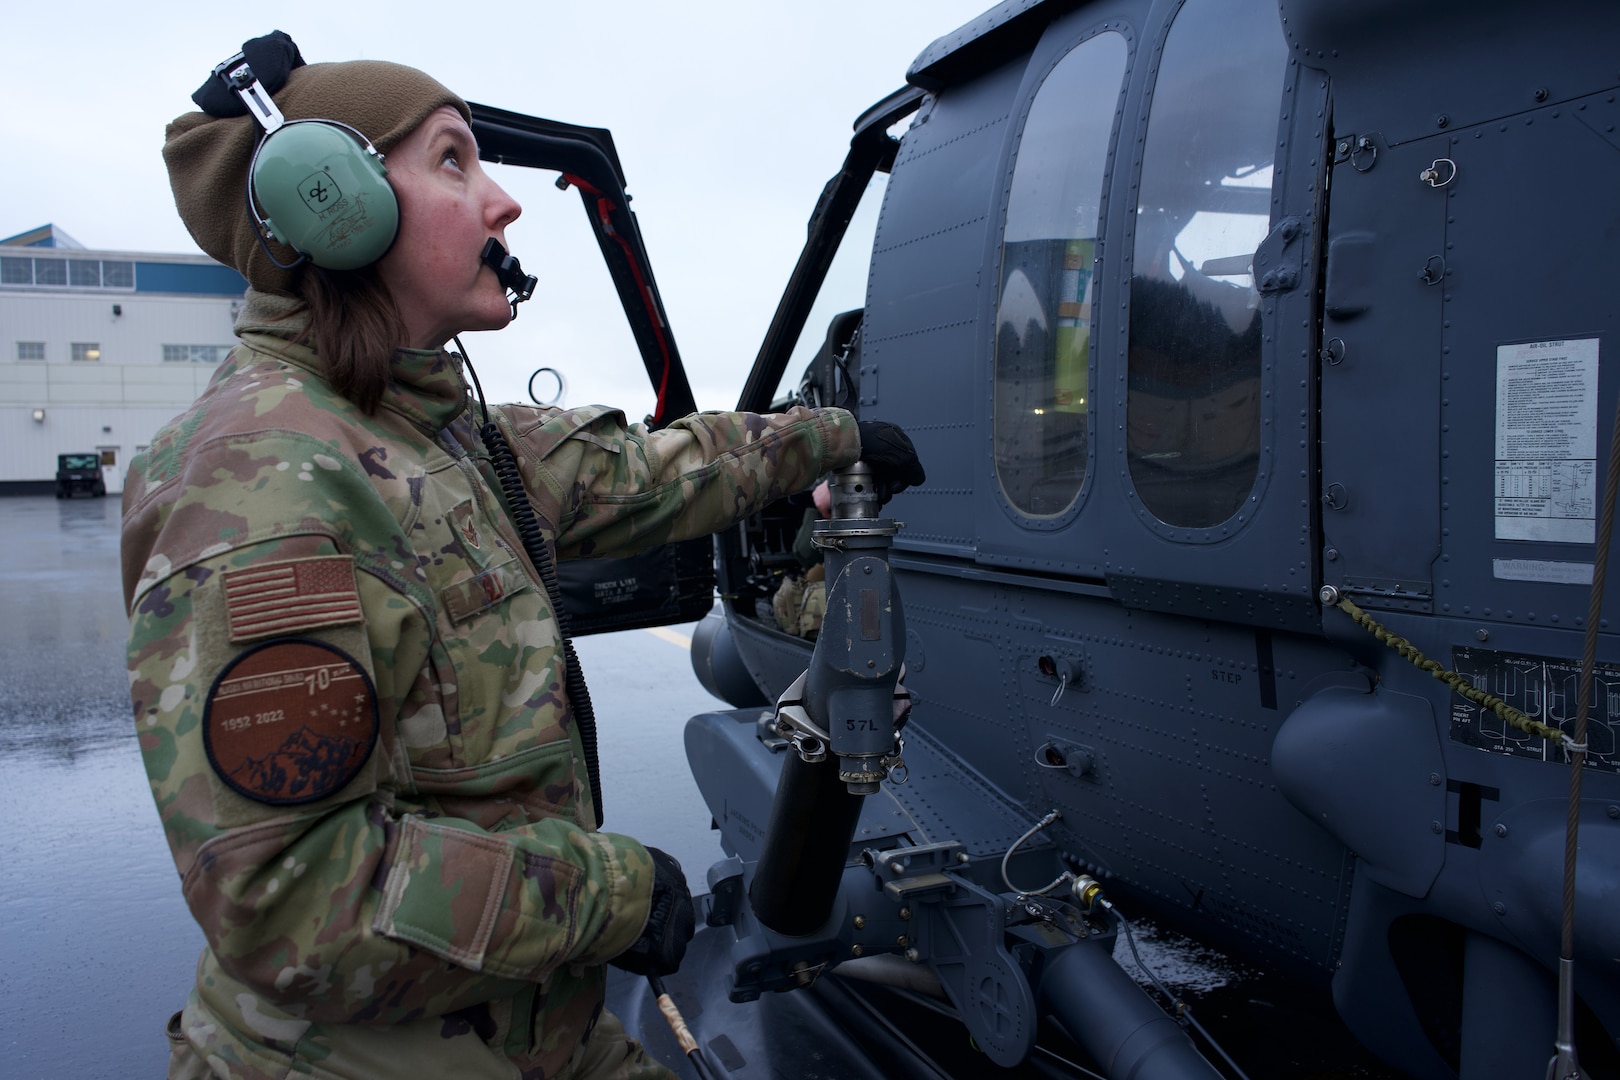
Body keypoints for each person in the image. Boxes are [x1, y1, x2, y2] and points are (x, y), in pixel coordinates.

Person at [123, 34, 923, 1080]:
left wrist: (836, 439)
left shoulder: (433, 434)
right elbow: (299, 906)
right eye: (453, 161)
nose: (503, 203)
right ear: (339, 209)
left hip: (527, 1029)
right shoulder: (260, 481)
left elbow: (646, 469)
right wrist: (612, 898)